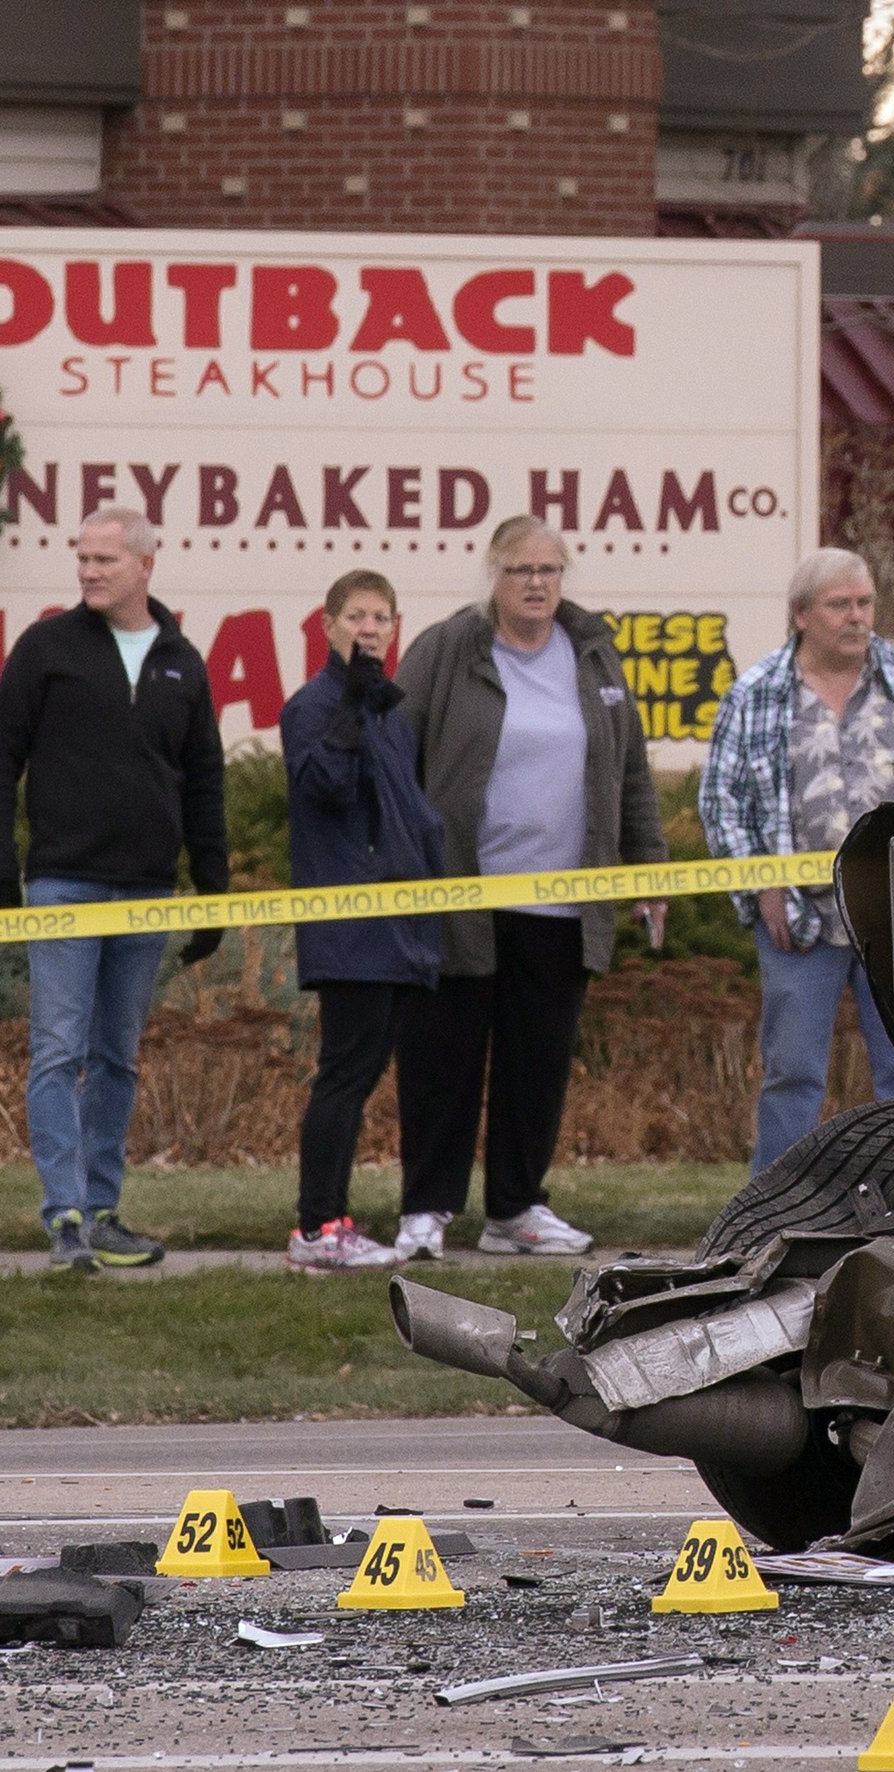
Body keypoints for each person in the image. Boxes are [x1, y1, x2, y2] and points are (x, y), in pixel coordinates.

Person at [391, 516, 667, 1257]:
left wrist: (649, 872)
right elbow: (393, 754)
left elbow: (629, 772)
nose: (536, 583)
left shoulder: (594, 657)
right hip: (460, 901)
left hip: (561, 908)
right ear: (494, 575)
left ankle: (516, 1211)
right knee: (442, 1062)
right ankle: (427, 1209)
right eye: (520, 570)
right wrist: (395, 866)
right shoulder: (448, 649)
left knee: (536, 1066)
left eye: (549, 570)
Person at [0, 504, 227, 1273]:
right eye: (81, 558)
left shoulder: (182, 659)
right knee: (57, 1051)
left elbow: (205, 782)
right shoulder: (46, 649)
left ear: (146, 565)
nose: (88, 571)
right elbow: (0, 762)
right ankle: (65, 1217)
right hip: (62, 885)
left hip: (147, 891)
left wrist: (211, 892)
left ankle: (106, 1210)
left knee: (116, 1056)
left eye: (104, 560)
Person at [701, 546, 894, 1169]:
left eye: (864, 603)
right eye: (839, 605)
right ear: (801, 615)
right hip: (797, 922)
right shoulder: (756, 694)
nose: (857, 617)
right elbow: (721, 802)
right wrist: (762, 885)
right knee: (793, 1073)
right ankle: (776, 1213)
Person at [278, 569, 445, 1272]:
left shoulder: (390, 715)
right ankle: (318, 1227)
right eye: (356, 616)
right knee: (343, 1073)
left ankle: (333, 1219)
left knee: (365, 1069)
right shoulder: (314, 707)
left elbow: (411, 817)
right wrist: (348, 701)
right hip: (350, 924)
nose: (369, 628)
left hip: (401, 924)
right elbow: (324, 790)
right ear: (329, 626)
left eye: (381, 617)